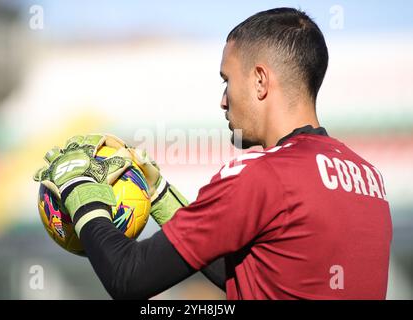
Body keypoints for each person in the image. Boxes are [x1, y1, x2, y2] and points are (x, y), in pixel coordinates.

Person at [34, 8, 392, 300]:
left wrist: (81, 190)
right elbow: (254, 276)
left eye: (227, 80)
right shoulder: (369, 178)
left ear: (260, 81)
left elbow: (128, 278)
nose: (223, 99)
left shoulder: (260, 175)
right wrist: (161, 197)